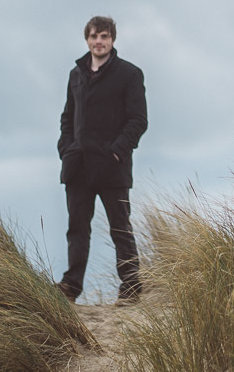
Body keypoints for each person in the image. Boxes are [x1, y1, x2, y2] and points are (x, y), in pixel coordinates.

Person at [56, 15, 148, 304]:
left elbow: (138, 120)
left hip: (112, 167)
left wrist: (117, 151)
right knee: (77, 229)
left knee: (120, 228)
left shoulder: (129, 74)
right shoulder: (76, 74)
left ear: (112, 40)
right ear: (87, 39)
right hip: (78, 166)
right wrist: (66, 148)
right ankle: (71, 287)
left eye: (104, 36)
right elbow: (67, 117)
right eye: (94, 36)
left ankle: (131, 288)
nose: (99, 41)